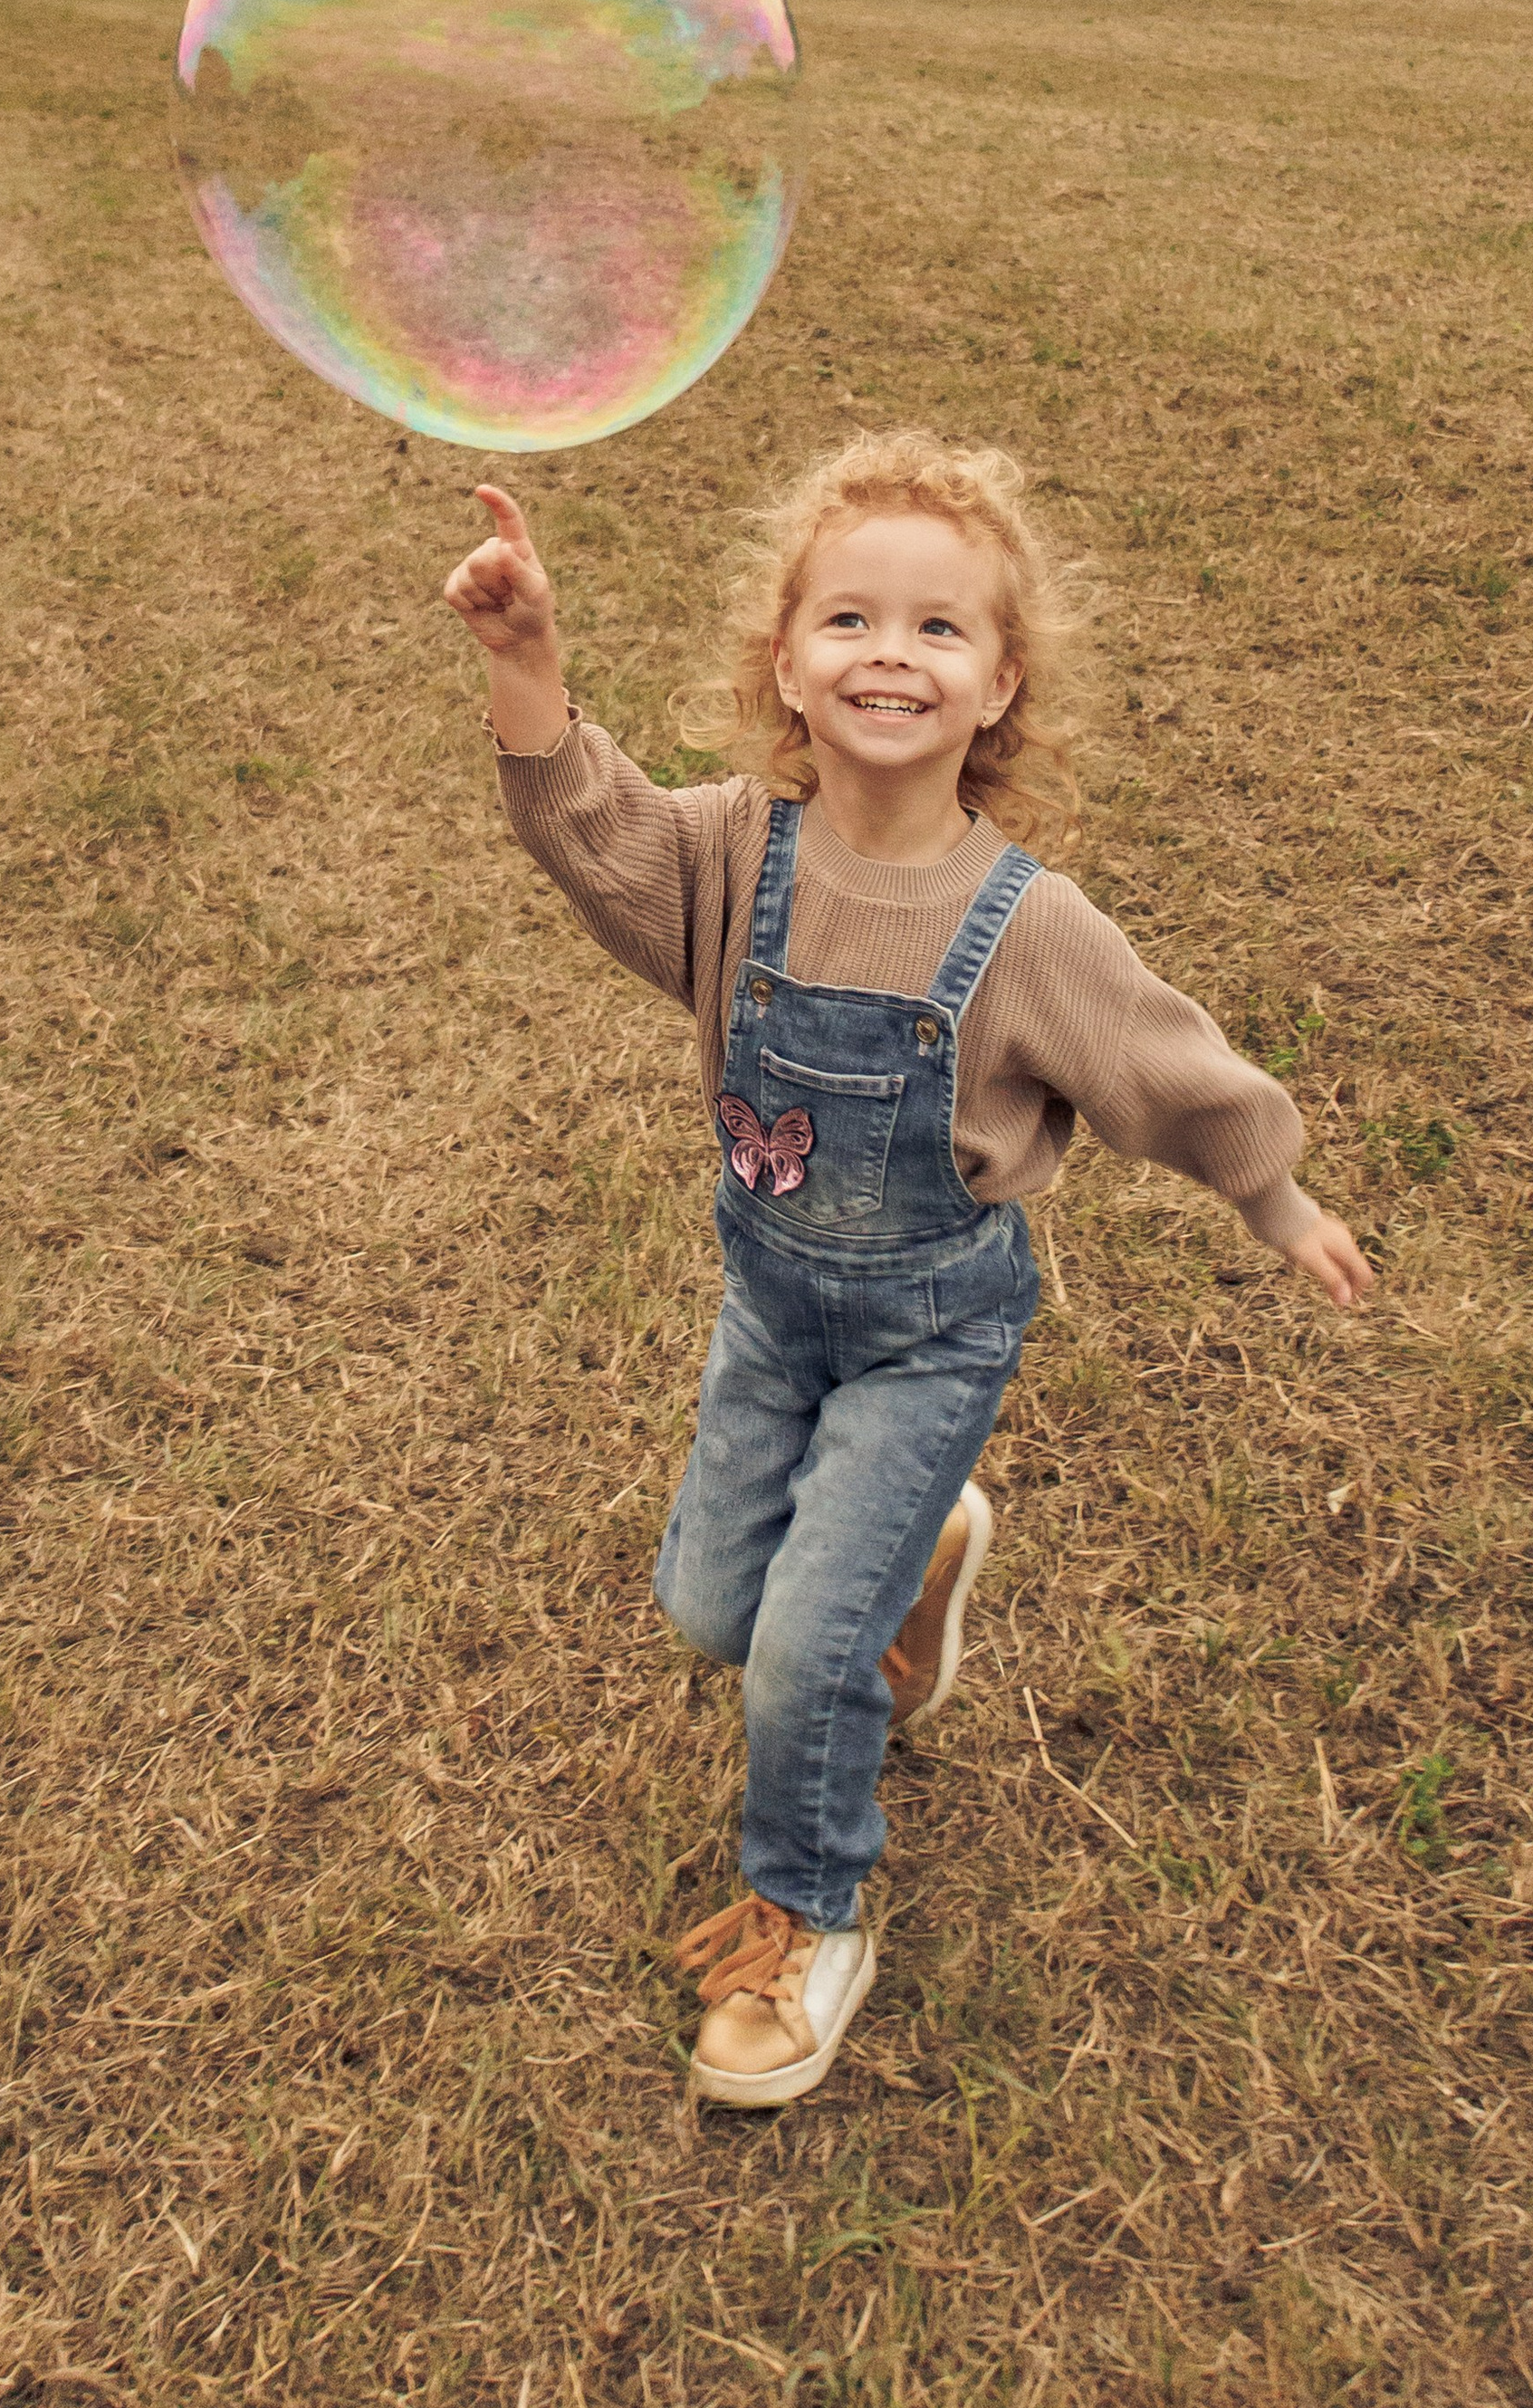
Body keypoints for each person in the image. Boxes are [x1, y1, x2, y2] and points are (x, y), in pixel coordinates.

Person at [443, 431, 1372, 2109]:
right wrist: (529, 670)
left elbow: (1169, 1067)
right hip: (772, 1307)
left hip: (931, 1332)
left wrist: (1278, 1199)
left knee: (800, 1654)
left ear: (1002, 682)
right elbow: (591, 834)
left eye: (940, 631)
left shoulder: (1026, 924)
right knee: (712, 1612)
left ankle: (808, 1919)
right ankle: (918, 1558)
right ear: (785, 663)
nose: (892, 654)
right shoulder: (731, 853)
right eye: (852, 620)